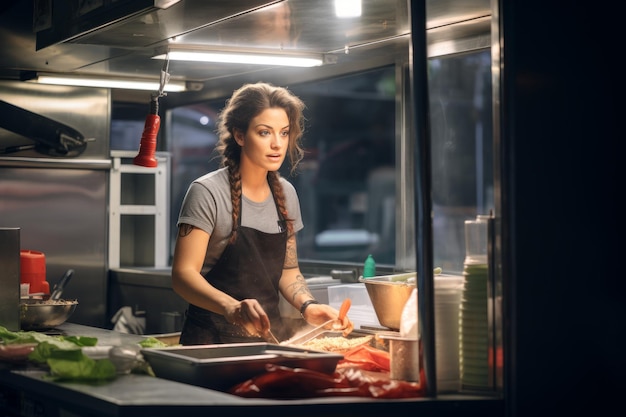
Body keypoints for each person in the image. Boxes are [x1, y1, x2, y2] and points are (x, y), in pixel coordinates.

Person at [171, 82, 354, 345]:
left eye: (284, 133)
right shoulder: (207, 192)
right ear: (240, 136)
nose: (277, 144)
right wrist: (232, 307)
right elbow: (183, 276)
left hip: (269, 341)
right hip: (211, 342)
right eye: (264, 132)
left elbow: (289, 270)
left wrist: (309, 306)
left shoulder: (287, 194)